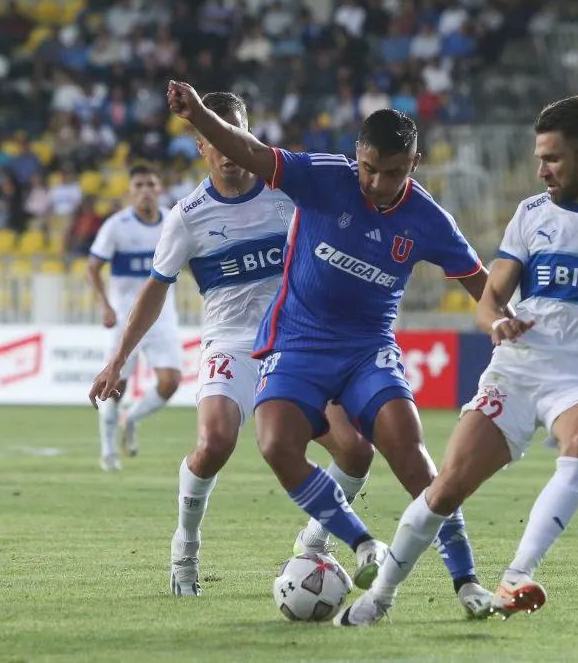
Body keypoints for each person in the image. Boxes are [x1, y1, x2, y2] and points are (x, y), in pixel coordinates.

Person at [336, 95, 578, 626]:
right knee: (447, 487)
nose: (542, 170)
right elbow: (489, 300)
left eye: (553, 158)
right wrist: (496, 323)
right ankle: (379, 598)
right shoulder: (530, 215)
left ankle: (517, 575)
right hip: (520, 368)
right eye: (539, 159)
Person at [167, 80, 500, 616]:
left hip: (368, 350)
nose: (377, 183)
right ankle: (362, 542)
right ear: (357, 155)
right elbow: (249, 150)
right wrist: (200, 115)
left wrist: (512, 326)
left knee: (410, 455)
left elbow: (481, 285)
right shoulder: (323, 177)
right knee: (276, 445)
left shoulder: (429, 219)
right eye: (369, 168)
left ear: (414, 165)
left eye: (393, 173)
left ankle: (467, 582)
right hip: (297, 342)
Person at [89, 92, 375, 596]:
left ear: (248, 135)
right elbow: (155, 289)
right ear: (201, 145)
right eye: (213, 138)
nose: (226, 148)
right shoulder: (187, 216)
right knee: (215, 444)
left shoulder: (287, 189)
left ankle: (314, 540)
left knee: (355, 451)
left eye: (234, 134)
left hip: (298, 344)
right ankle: (185, 547)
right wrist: (118, 359)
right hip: (231, 345)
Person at [87, 165, 182, 472]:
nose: (145, 190)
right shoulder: (116, 226)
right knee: (115, 387)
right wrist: (105, 306)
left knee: (170, 382)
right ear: (130, 192)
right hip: (124, 319)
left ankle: (131, 418)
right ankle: (108, 451)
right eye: (138, 185)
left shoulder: (174, 221)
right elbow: (92, 267)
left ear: (159, 189)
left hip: (162, 316)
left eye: (150, 184)